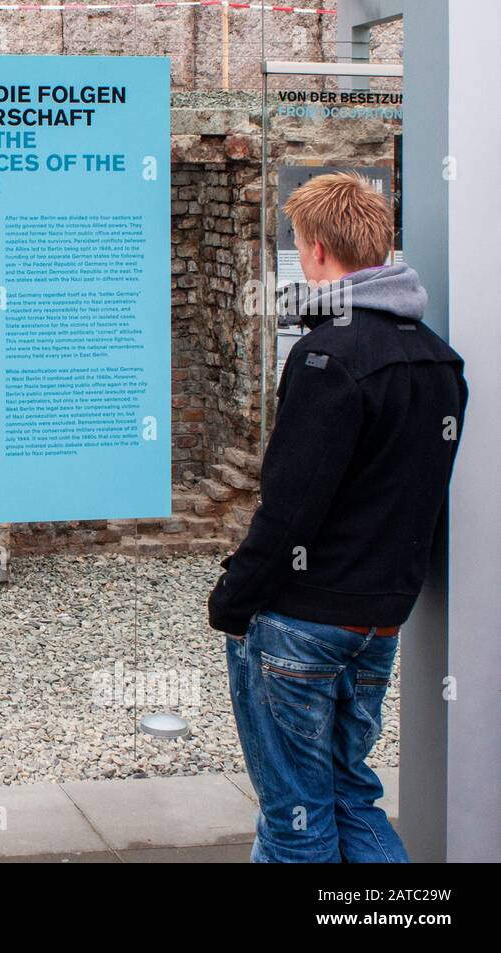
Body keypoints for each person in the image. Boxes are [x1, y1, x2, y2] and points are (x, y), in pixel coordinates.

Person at [208, 173, 468, 863]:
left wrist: (233, 598)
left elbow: (289, 507)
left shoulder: (326, 357)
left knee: (296, 821)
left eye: (298, 246)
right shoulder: (439, 360)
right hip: (377, 621)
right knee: (351, 795)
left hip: (305, 621)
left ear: (317, 251)